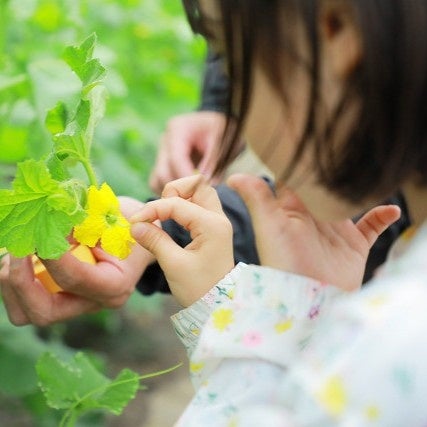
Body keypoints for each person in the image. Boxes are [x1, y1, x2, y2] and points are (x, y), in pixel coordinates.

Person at [127, 0, 427, 425]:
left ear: (338, 28)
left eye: (231, 62)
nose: (233, 102)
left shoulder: (390, 340)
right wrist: (307, 313)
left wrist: (223, 314)